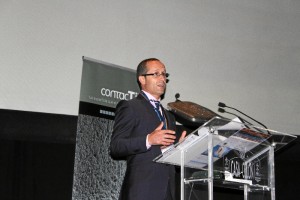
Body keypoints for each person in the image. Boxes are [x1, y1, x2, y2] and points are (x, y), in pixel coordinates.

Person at [110, 58, 186, 200]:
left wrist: (177, 150)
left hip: (168, 192)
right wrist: (148, 140)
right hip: (142, 190)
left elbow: (164, 151)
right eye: (156, 74)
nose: (162, 78)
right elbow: (116, 146)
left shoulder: (169, 116)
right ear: (142, 79)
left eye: (164, 74)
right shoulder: (130, 106)